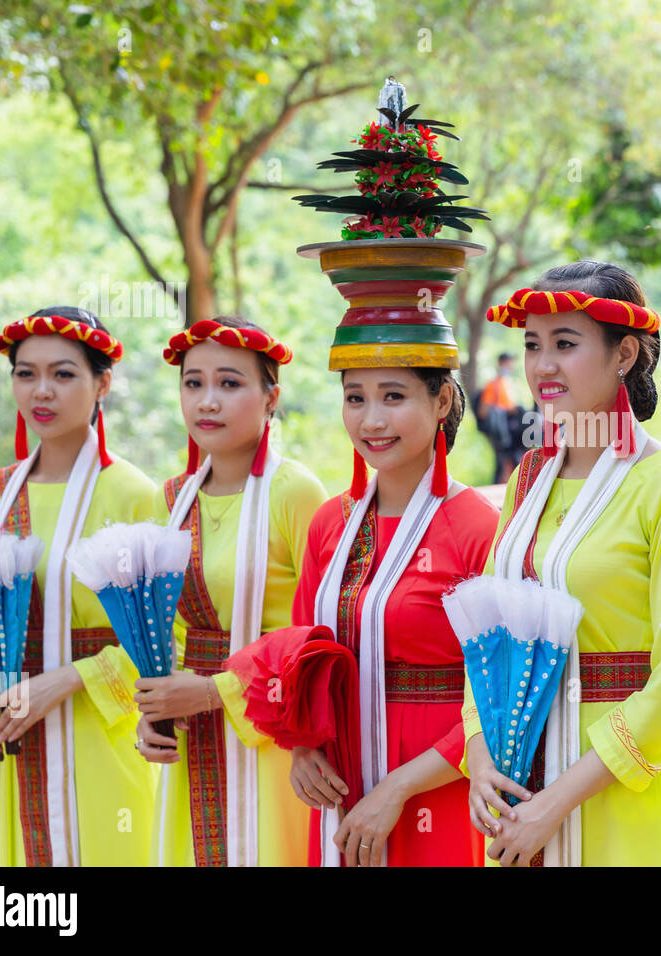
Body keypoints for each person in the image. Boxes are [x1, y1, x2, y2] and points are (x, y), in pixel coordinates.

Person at [230, 293, 500, 867]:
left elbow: (498, 696)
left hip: (437, 787)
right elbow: (297, 655)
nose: (370, 420)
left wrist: (398, 788)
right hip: (338, 785)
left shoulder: (479, 529)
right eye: (355, 399)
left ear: (443, 398)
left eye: (394, 397)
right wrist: (302, 747)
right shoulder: (331, 522)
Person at [462, 260, 661, 866]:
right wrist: (477, 756)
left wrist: (558, 802)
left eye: (565, 344)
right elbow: (490, 635)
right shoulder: (528, 480)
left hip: (623, 793)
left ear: (624, 354)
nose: (543, 365)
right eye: (532, 345)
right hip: (517, 784)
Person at [130, 317, 327, 866]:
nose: (207, 401)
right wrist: (151, 714)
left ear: (272, 398)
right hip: (191, 734)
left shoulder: (296, 492)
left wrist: (217, 691)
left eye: (230, 383)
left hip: (272, 734)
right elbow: (162, 632)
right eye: (193, 383)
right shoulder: (168, 500)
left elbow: (316, 633)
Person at [0, 306, 158, 866]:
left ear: (103, 382)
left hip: (101, 730)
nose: (41, 391)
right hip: (18, 732)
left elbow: (163, 636)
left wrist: (66, 680)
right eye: (25, 373)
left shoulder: (135, 493)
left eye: (63, 373)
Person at [476, 352, 522, 483]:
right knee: (502, 463)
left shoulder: (507, 383)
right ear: (501, 363)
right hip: (500, 431)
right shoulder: (493, 385)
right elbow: (483, 411)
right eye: (508, 362)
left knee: (510, 463)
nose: (511, 366)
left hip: (510, 431)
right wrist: (503, 412)